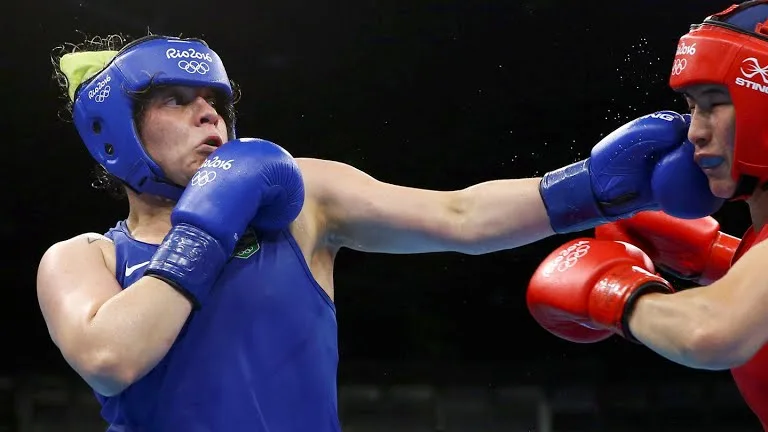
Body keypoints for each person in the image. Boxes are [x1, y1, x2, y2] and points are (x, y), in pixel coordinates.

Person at [36, 32, 719, 431]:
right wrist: (209, 222)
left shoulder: (302, 200)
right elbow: (111, 357)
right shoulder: (82, 259)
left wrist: (596, 187)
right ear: (116, 132)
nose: (207, 116)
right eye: (176, 101)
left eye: (214, 101)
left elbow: (462, 218)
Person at [526, 1, 768, 429]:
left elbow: (711, 332)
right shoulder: (757, 240)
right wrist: (715, 259)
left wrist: (612, 290)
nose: (695, 131)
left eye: (715, 104)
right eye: (693, 106)